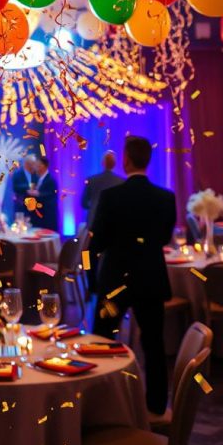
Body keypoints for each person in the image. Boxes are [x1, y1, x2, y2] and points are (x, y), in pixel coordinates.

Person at [90, 136, 176, 418]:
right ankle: (155, 405)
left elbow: (96, 243)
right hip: (151, 278)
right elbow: (164, 238)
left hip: (115, 281)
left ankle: (102, 404)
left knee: (102, 342)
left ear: (125, 160)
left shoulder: (111, 197)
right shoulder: (166, 197)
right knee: (154, 344)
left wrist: (90, 278)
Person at [81, 150, 123, 229]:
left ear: (102, 163)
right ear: (114, 164)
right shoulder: (121, 181)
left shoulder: (91, 180)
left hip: (94, 221)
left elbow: (84, 203)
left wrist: (94, 206)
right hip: (115, 222)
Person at [31, 156, 59, 232]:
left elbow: (51, 194)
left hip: (47, 213)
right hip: (39, 213)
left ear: (43, 166)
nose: (36, 167)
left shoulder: (50, 179)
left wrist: (38, 194)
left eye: (38, 165)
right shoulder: (38, 179)